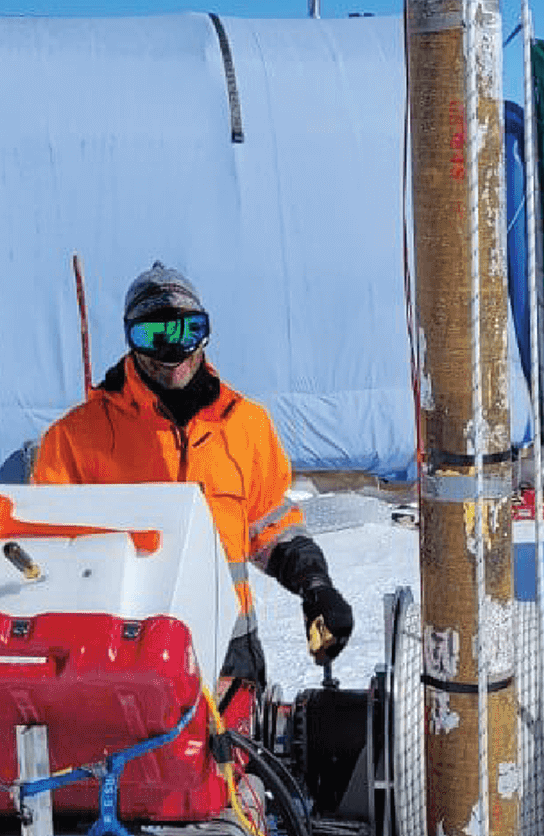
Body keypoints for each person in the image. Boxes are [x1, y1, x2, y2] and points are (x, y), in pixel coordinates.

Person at [34, 263, 355, 702]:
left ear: (205, 332)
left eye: (187, 330)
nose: (173, 352)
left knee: (235, 771)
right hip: (122, 659)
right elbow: (43, 553)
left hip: (229, 654)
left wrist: (315, 585)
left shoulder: (246, 425)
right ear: (130, 339)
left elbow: (268, 524)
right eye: (153, 335)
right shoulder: (75, 439)